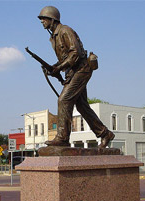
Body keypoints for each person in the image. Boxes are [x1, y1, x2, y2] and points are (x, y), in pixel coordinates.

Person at [38, 6, 115, 148]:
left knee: (63, 100)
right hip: (72, 71)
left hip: (81, 69)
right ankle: (105, 133)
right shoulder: (53, 37)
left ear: (52, 18)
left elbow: (76, 53)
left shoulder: (65, 30)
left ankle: (62, 137)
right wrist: (53, 68)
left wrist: (58, 68)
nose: (41, 21)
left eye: (44, 18)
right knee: (82, 106)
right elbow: (65, 59)